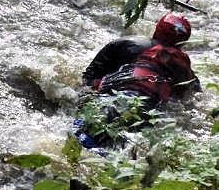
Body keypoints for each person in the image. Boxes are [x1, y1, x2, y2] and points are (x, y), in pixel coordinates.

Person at [73, 14, 199, 149]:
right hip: (148, 113)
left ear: (157, 29)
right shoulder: (185, 69)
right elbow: (191, 98)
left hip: (112, 99)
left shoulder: (125, 43)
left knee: (80, 135)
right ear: (184, 41)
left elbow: (89, 77)